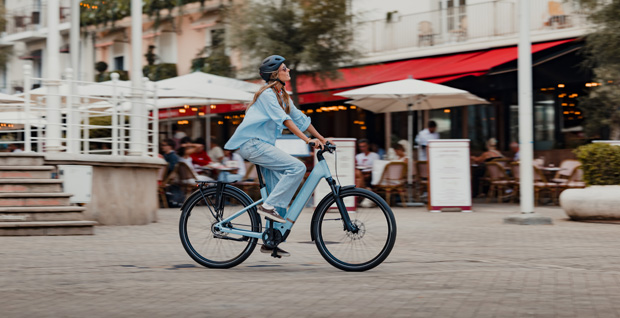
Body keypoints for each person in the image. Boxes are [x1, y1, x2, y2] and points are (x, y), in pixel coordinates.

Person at [224, 55, 330, 257]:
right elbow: (286, 120)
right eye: (284, 68)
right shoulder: (267, 95)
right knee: (297, 168)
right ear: (275, 74)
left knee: (279, 193)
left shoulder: (283, 96)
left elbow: (300, 119)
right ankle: (268, 206)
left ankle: (270, 238)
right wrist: (306, 141)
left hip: (262, 145)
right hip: (252, 144)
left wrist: (322, 139)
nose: (288, 70)